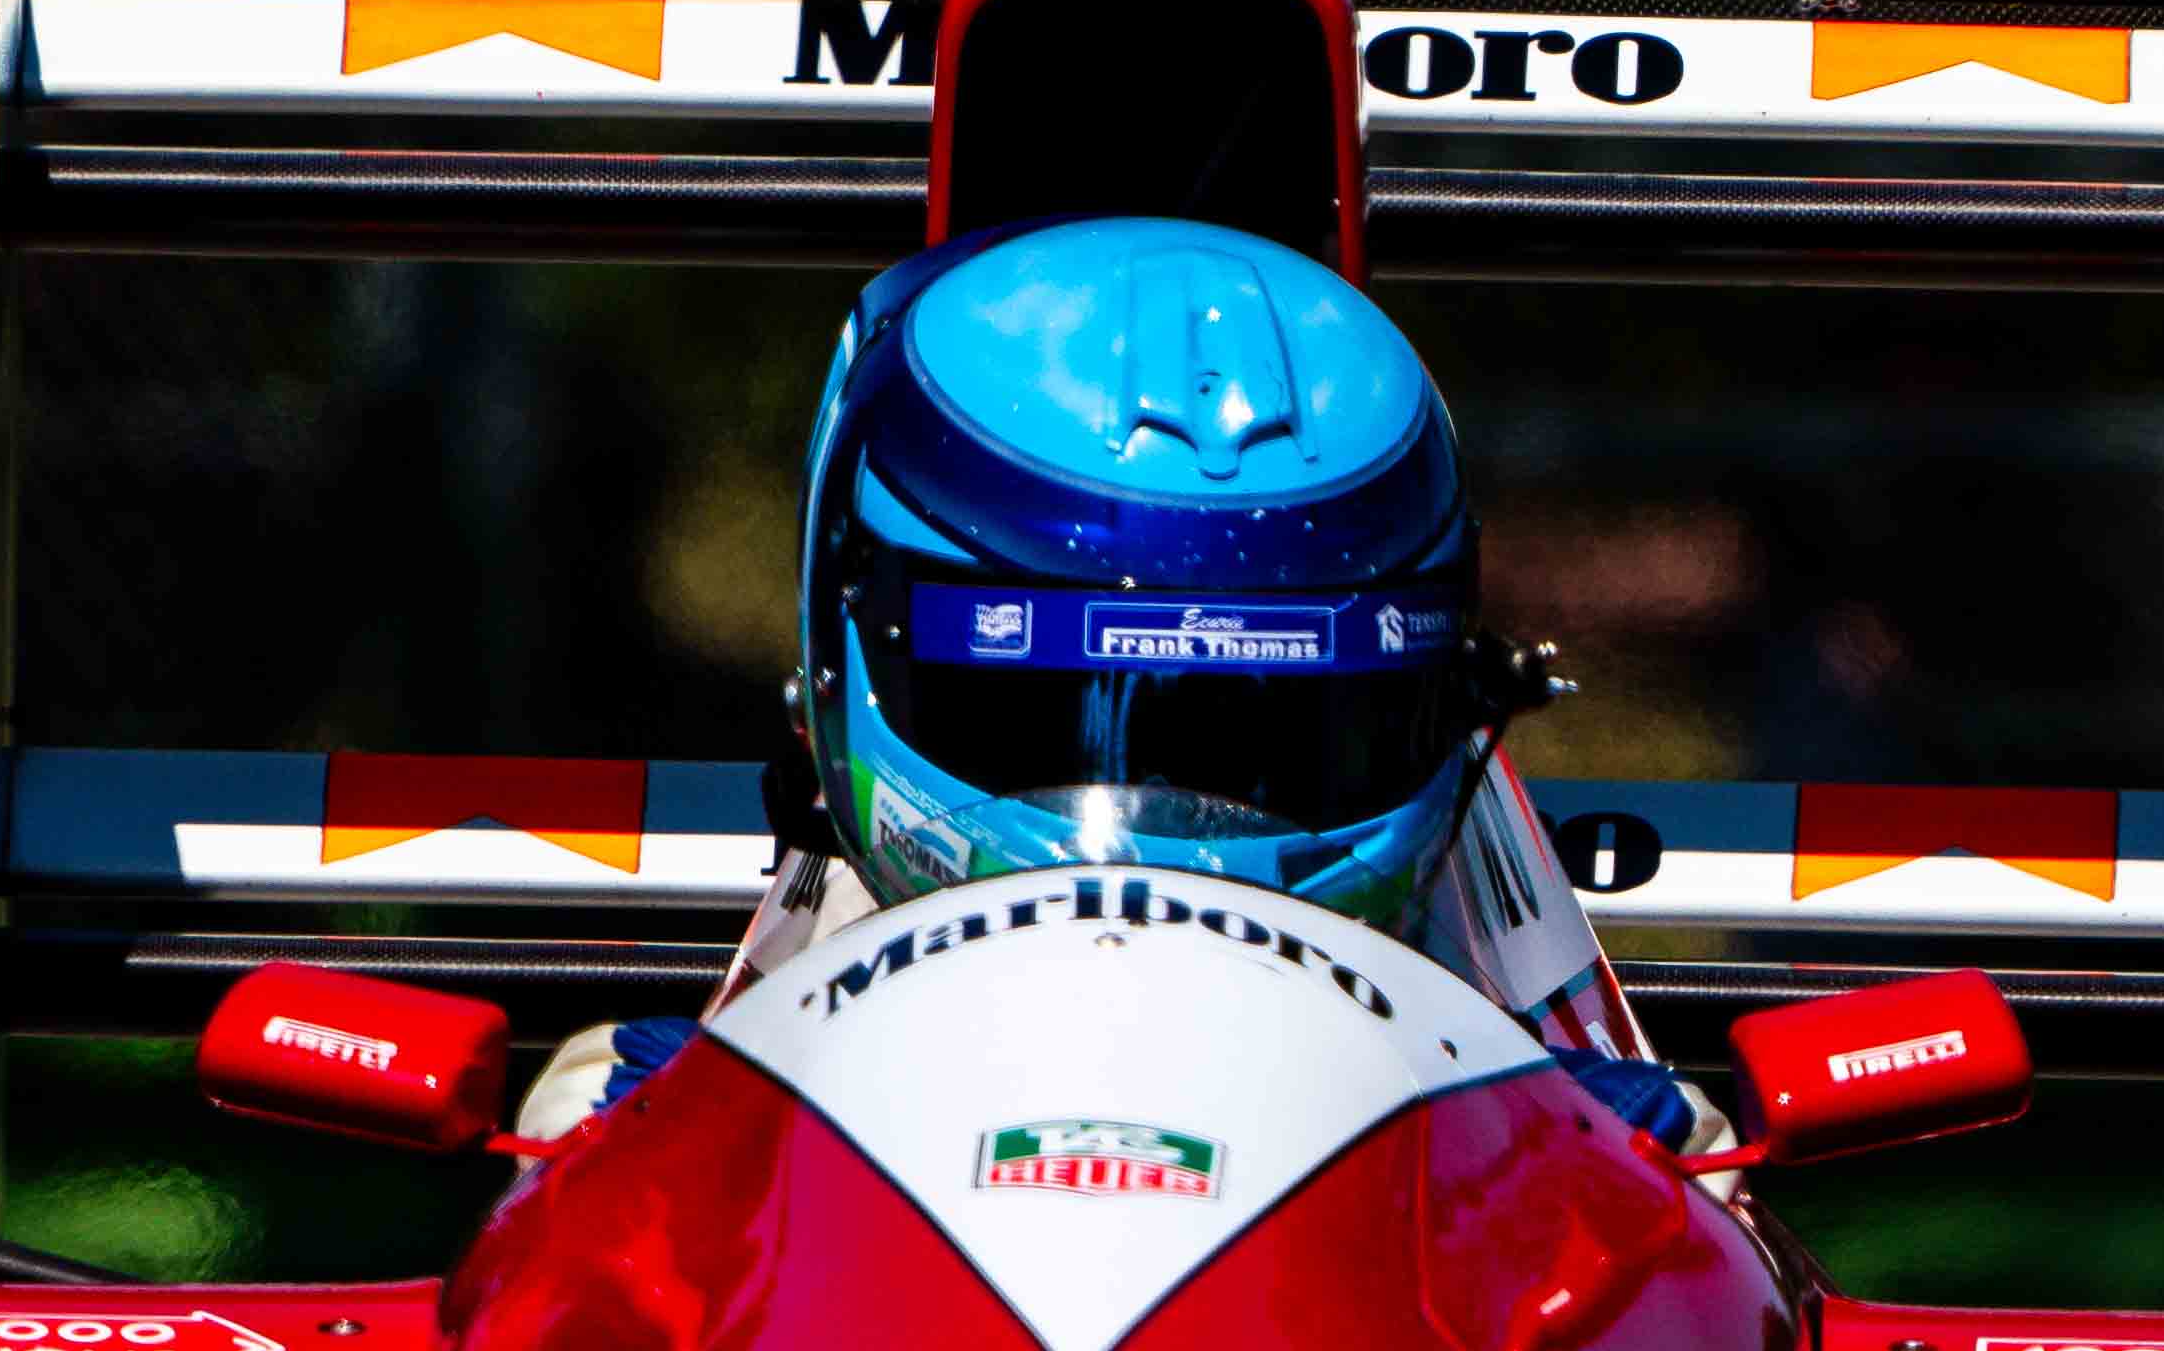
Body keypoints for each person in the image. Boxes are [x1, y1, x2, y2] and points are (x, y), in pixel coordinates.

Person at [523, 208, 1696, 1136]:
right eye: (1042, 715)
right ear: (843, 654)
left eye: (1262, 738)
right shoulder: (629, 1120)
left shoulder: (1620, 1153)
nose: (1168, 822)